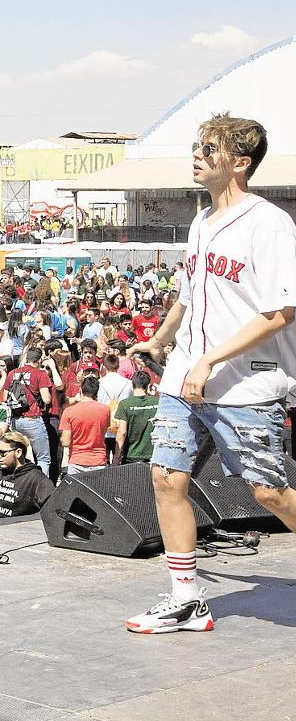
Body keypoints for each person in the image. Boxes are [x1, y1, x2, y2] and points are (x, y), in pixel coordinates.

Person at [126, 113, 296, 633]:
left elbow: (281, 312)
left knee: (267, 491)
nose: (197, 154)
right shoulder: (200, 221)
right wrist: (161, 338)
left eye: (210, 148)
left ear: (239, 163)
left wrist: (211, 359)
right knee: (165, 478)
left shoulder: (269, 224)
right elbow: (189, 293)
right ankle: (187, 599)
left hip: (245, 383)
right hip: (185, 378)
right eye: (197, 145)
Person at [0, 431, 56, 520]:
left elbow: (54, 508)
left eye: (3, 452)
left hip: (8, 530)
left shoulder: (36, 478)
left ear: (18, 452)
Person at [0, 348, 53, 475]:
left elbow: (4, 397)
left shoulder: (13, 373)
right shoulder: (40, 374)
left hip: (15, 420)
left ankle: (17, 482)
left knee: (17, 455)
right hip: (32, 418)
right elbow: (46, 399)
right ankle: (41, 487)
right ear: (39, 360)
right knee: (43, 458)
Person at [59, 376, 110, 476]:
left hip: (77, 460)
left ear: (81, 390)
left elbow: (65, 442)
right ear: (96, 392)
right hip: (98, 460)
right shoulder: (105, 410)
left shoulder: (69, 411)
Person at [114, 371, 159, 464]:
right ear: (148, 385)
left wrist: (116, 457)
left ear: (132, 384)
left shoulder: (125, 404)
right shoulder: (157, 402)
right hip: (154, 455)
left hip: (131, 454)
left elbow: (122, 432)